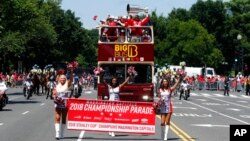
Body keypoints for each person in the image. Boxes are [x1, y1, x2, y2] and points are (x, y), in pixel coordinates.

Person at [53, 68, 73, 140]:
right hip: (58, 103)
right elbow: (54, 92)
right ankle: (57, 133)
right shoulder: (56, 84)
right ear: (59, 79)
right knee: (57, 118)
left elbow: (71, 79)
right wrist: (55, 96)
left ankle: (62, 133)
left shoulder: (67, 84)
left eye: (64, 78)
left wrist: (71, 72)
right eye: (61, 78)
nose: (63, 79)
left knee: (64, 118)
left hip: (65, 103)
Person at [158, 76, 180, 140]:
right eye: (164, 81)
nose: (165, 83)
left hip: (168, 107)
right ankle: (162, 134)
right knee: (162, 122)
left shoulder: (170, 89)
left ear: (168, 83)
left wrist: (179, 79)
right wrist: (159, 101)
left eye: (166, 81)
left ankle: (165, 136)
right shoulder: (159, 90)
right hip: (162, 107)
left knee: (167, 122)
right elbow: (159, 97)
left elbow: (175, 85)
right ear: (162, 82)